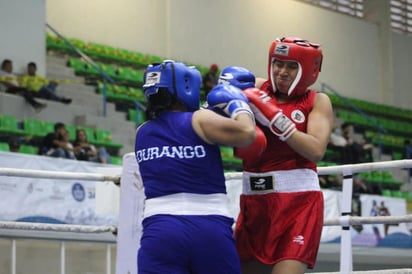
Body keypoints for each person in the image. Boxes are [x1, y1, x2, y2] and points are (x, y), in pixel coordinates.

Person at [223, 37, 333, 274]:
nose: (282, 72)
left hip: (298, 205)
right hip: (255, 203)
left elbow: (316, 150)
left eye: (292, 66)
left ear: (308, 70)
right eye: (278, 63)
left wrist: (277, 121)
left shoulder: (317, 101)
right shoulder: (255, 88)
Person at [135, 60, 257, 274]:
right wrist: (237, 103)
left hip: (160, 231)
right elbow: (247, 133)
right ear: (186, 86)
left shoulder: (142, 132)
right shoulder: (199, 120)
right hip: (208, 227)